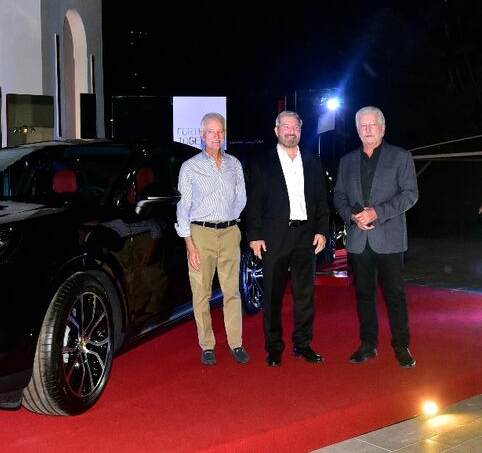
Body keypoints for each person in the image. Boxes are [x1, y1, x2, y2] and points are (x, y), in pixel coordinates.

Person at [333, 106, 419, 368]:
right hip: (359, 240)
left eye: (372, 125)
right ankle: (368, 345)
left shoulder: (400, 156)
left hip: (389, 238)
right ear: (357, 130)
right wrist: (352, 215)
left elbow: (410, 194)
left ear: (383, 127)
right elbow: (338, 196)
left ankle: (401, 345)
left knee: (395, 294)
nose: (367, 130)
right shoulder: (346, 161)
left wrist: (376, 213)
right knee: (364, 295)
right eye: (362, 126)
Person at [245, 110, 329, 367]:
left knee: (305, 295)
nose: (291, 131)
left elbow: (321, 201)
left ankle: (302, 344)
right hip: (273, 237)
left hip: (306, 236)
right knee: (272, 294)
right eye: (285, 127)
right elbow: (254, 203)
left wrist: (322, 230)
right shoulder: (261, 163)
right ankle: (274, 347)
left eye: (296, 127)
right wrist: (255, 235)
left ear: (300, 132)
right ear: (276, 130)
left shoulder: (312, 161)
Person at [175, 112, 248, 366]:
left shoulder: (234, 164)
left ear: (224, 134)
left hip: (230, 232)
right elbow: (182, 208)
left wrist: (229, 221)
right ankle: (207, 345)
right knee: (201, 294)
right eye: (211, 132)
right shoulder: (190, 167)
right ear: (202, 135)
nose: (216, 136)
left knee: (232, 292)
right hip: (200, 234)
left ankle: (235, 343)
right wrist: (190, 243)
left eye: (220, 131)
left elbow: (241, 199)